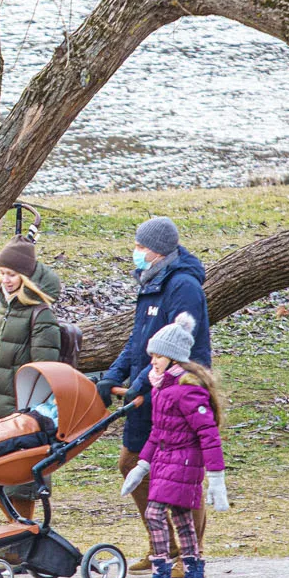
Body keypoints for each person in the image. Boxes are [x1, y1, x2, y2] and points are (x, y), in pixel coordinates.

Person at [95, 216, 211, 556]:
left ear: (158, 250)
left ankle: (191, 553)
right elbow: (138, 341)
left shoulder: (183, 286)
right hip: (149, 390)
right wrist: (113, 375)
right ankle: (162, 545)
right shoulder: (150, 283)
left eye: (140, 246)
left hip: (179, 389)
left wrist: (141, 382)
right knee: (130, 463)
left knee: (181, 474)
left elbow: (180, 343)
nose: (135, 252)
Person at [120, 314, 230, 578]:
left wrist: (217, 478)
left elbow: (209, 434)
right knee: (181, 518)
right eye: (151, 356)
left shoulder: (186, 389)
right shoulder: (163, 388)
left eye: (157, 356)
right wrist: (141, 466)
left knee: (154, 514)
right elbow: (158, 432)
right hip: (165, 462)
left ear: (173, 357)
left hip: (183, 463)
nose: (153, 362)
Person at [0, 236, 66, 504]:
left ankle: (23, 527)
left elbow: (44, 373)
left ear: (26, 276)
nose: (6, 280)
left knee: (20, 480)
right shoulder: (0, 305)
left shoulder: (41, 315)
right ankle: (13, 527)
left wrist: (31, 415)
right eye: (2, 273)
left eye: (13, 274)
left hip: (20, 409)